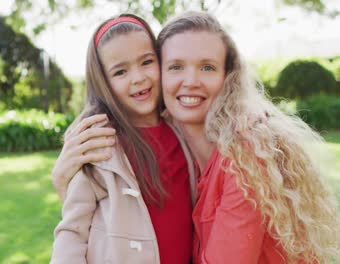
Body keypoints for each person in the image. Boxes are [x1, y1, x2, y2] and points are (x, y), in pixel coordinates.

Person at [52, 11, 339, 263]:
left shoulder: (247, 155)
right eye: (176, 66)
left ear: (229, 78)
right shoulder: (129, 145)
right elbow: (81, 228)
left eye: (207, 67)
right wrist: (66, 184)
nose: (190, 81)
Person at [50, 14, 195, 264]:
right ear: (103, 82)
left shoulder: (183, 129)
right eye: (120, 72)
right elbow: (72, 232)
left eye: (146, 62)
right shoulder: (99, 145)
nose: (138, 77)